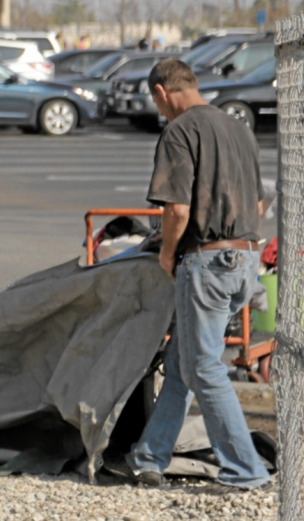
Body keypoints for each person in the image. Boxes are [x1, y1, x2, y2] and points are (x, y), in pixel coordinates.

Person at [117, 58, 270, 492]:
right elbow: (260, 202)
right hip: (244, 260)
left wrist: (167, 254)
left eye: (156, 101)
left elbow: (178, 209)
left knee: (203, 368)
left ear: (162, 92)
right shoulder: (239, 129)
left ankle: (246, 471)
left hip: (207, 261)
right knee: (184, 365)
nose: (159, 109)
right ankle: (149, 458)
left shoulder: (179, 131)